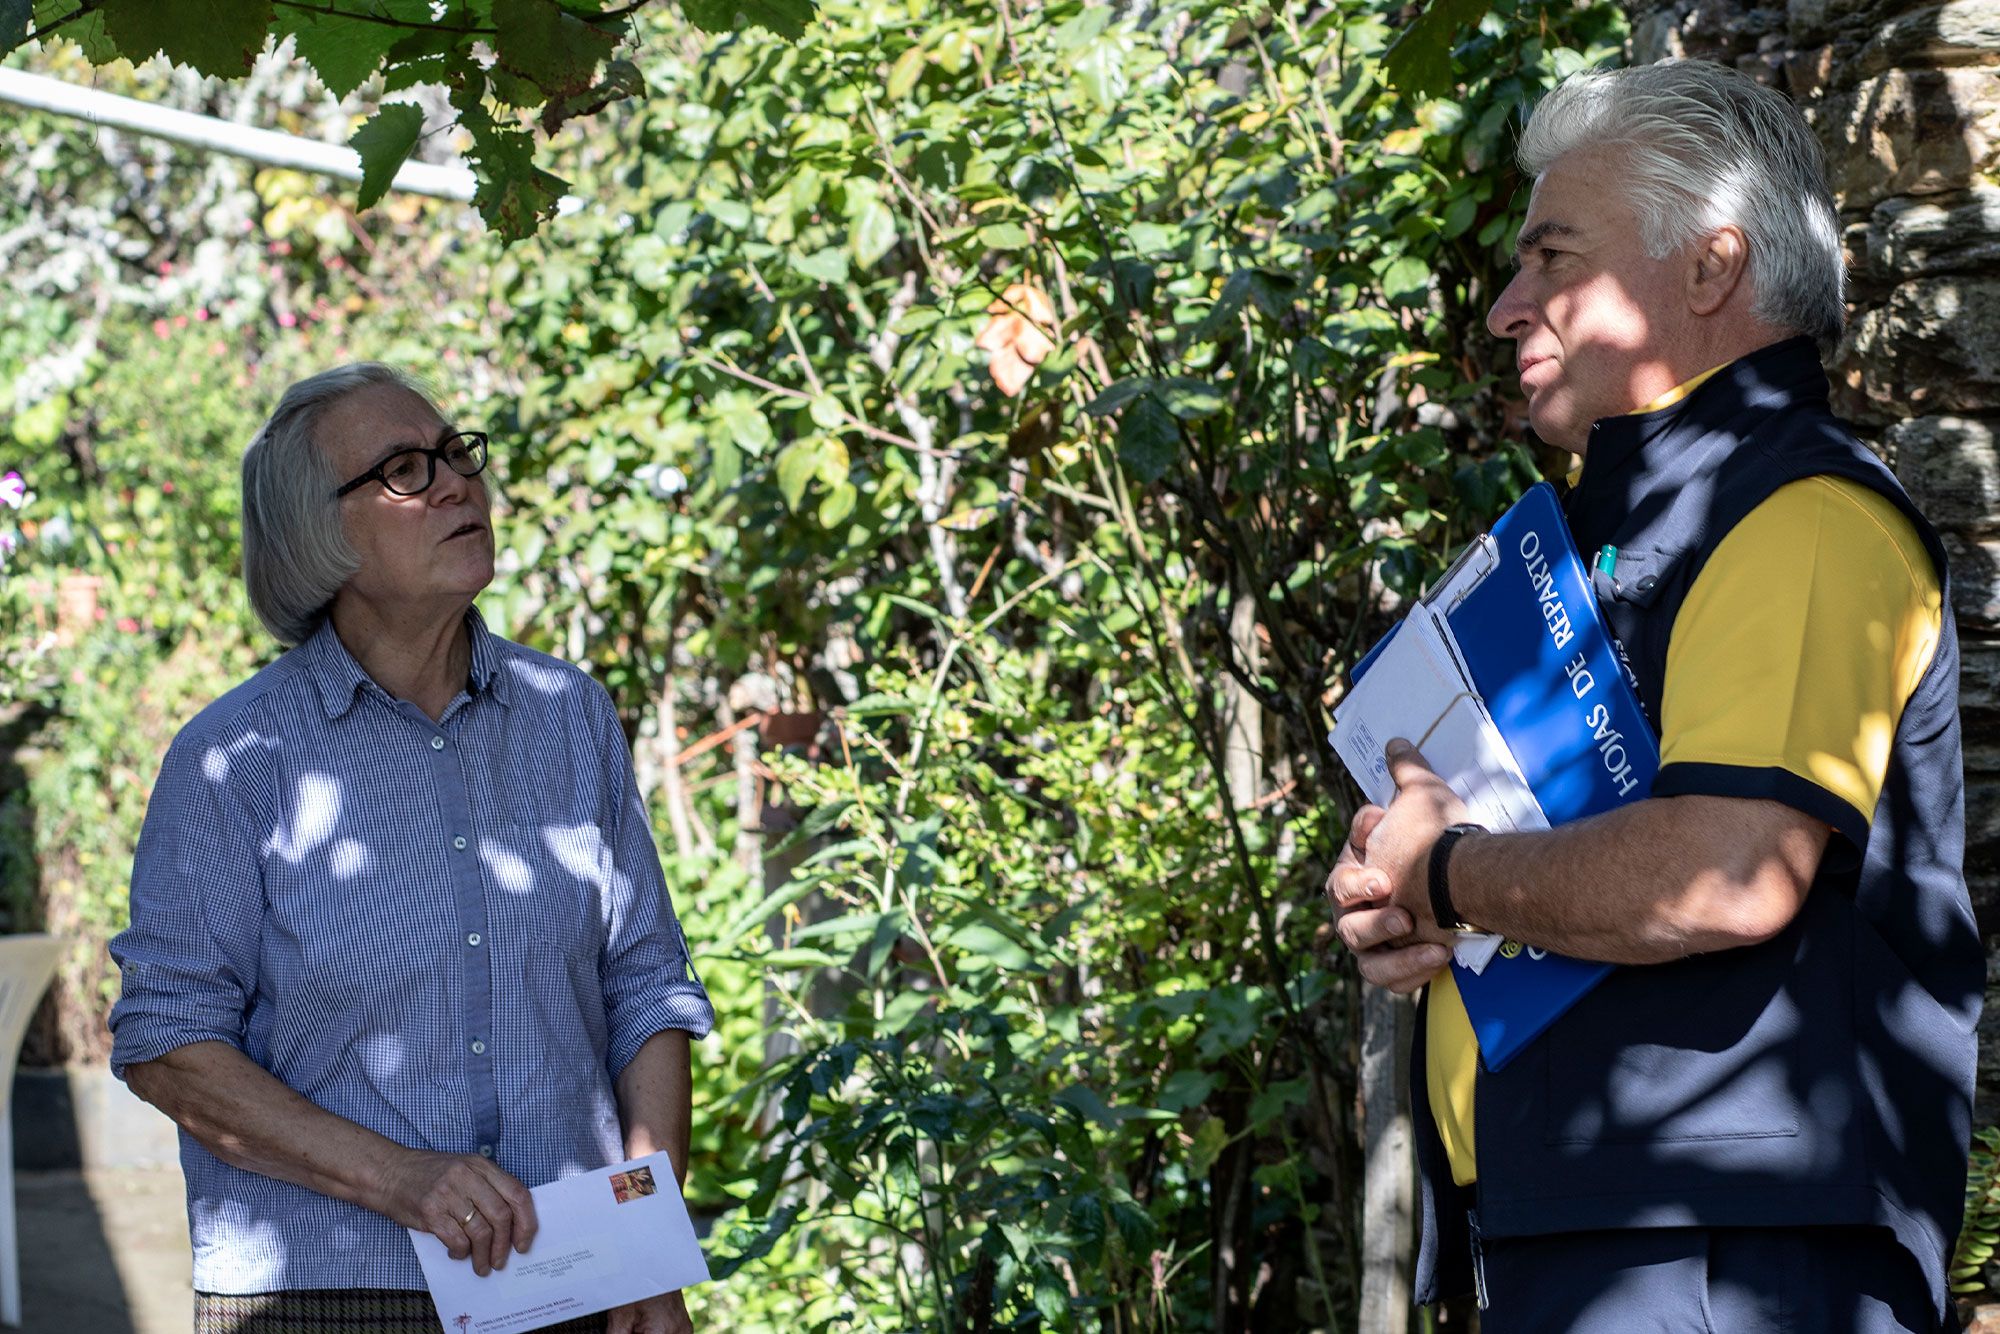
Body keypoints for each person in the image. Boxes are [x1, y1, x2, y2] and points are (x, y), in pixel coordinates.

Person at [1328, 60, 1981, 1331]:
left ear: (1707, 267)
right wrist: (1408, 900)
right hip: (1581, 1228)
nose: (1509, 307)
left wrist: (1449, 874)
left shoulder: (1801, 513)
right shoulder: (1600, 533)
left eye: (1551, 258)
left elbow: (1725, 871)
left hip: (1723, 1251)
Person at [108, 364, 713, 1334]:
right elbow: (167, 1043)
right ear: (318, 534)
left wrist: (649, 1241)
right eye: (403, 467)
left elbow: (643, 984)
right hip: (321, 1291)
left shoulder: (569, 718)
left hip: (574, 1271)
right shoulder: (234, 760)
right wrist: (404, 1180)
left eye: (454, 453)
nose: (455, 483)